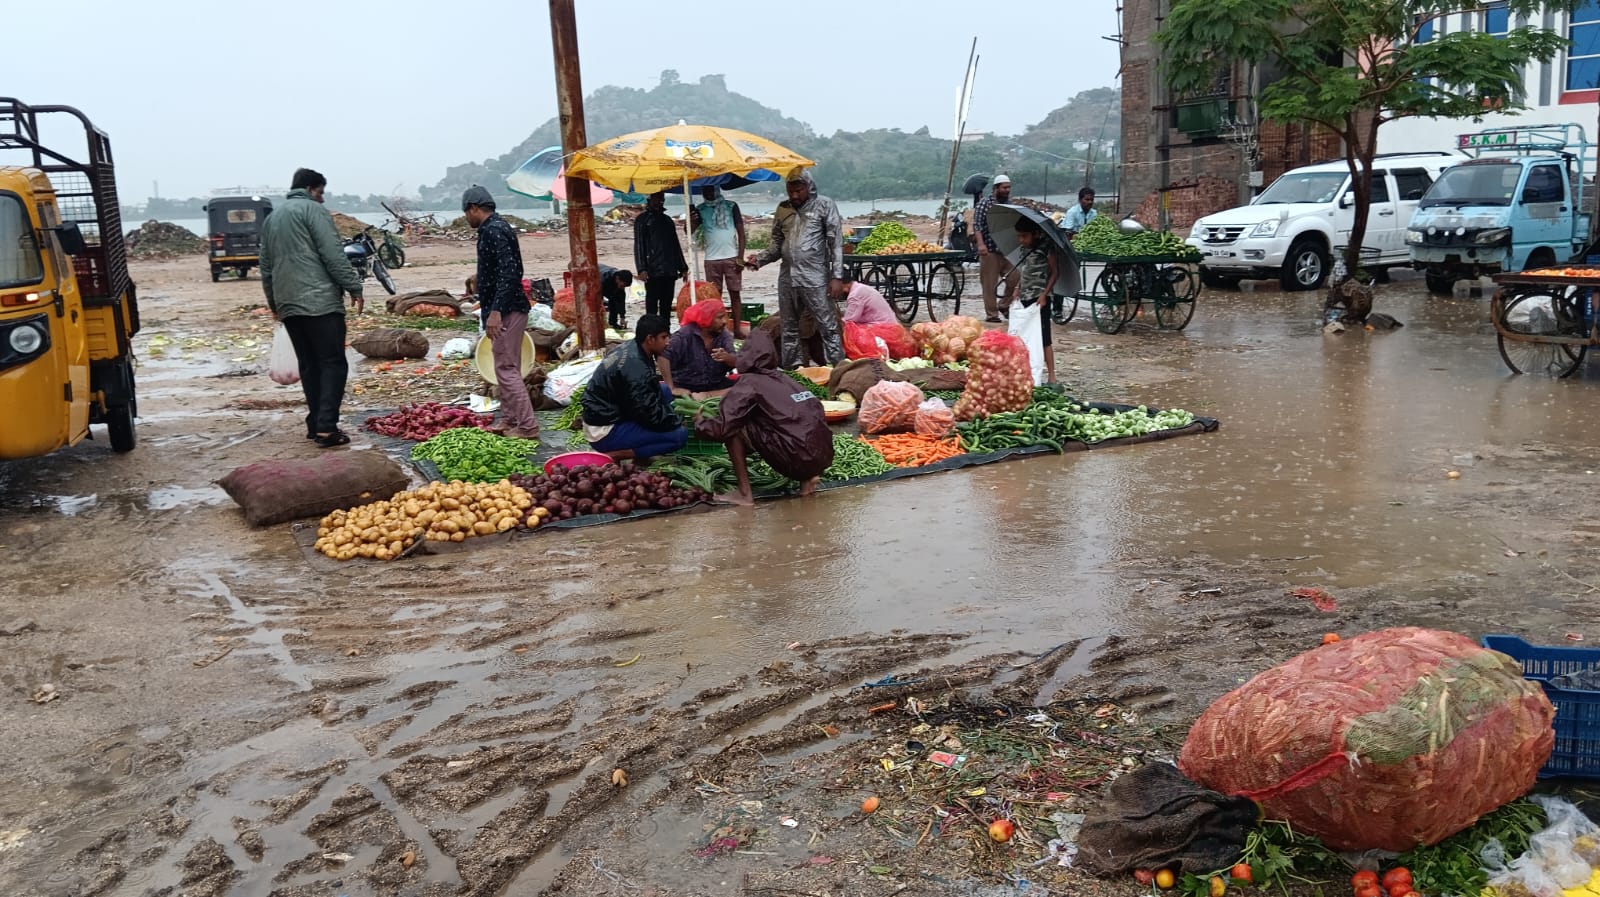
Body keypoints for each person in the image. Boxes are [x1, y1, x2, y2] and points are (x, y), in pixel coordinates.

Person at [260, 167, 365, 448]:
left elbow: (266, 266)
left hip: (289, 305)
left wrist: (274, 303)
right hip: (319, 303)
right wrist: (354, 286)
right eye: (320, 193)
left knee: (309, 364)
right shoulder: (314, 212)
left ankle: (315, 423)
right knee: (332, 363)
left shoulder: (272, 218)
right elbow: (333, 255)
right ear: (310, 189)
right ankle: (327, 428)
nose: (321, 199)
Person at [692, 330, 834, 506]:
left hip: (796, 458)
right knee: (788, 427)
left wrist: (700, 422)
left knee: (733, 430)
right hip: (823, 456)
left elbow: (722, 428)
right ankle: (807, 480)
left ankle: (745, 494)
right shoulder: (786, 379)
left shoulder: (749, 384)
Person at [745, 170, 846, 368]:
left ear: (809, 187)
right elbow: (776, 246)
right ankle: (794, 369)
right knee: (789, 327)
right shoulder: (783, 209)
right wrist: (759, 259)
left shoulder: (825, 205)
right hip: (788, 278)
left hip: (815, 276)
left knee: (828, 325)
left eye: (799, 191)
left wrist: (837, 276)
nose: (794, 196)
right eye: (790, 191)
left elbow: (836, 244)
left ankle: (837, 367)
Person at [463, 185, 538, 439]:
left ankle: (527, 427)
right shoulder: (493, 228)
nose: (466, 218)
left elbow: (510, 273)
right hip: (504, 306)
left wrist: (495, 311)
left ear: (474, 208)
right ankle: (509, 418)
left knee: (506, 368)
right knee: (505, 365)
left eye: (466, 213)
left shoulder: (494, 230)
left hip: (507, 308)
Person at [581, 315, 688, 461]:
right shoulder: (636, 368)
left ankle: (641, 447)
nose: (668, 343)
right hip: (604, 431)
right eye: (664, 338)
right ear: (650, 339)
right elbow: (650, 415)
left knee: (664, 391)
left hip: (611, 412)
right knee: (679, 436)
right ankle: (616, 454)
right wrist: (678, 419)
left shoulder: (633, 347)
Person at [1012, 216, 1059, 386]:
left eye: (1024, 236)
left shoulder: (1046, 248)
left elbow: (1054, 273)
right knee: (1024, 336)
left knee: (1044, 338)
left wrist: (1045, 294)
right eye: (1019, 236)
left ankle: (1052, 375)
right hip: (1025, 296)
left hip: (1040, 299)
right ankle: (1026, 371)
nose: (1021, 240)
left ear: (1035, 234)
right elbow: (1024, 271)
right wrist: (1017, 287)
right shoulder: (1024, 250)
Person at [661, 298, 737, 397]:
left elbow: (736, 361)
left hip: (717, 385)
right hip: (686, 387)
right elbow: (663, 355)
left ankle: (708, 395)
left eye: (724, 317)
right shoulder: (685, 335)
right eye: (719, 318)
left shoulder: (724, 334)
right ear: (707, 319)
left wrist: (727, 358)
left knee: (750, 385)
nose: (724, 321)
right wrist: (671, 387)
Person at [691, 185, 746, 310]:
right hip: (711, 259)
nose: (708, 193)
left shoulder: (731, 206)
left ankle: (737, 329)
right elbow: (688, 231)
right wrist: (691, 220)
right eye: (705, 190)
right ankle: (718, 327)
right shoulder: (701, 209)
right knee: (714, 296)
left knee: (735, 294)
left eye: (711, 190)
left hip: (732, 257)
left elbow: (741, 234)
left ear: (716, 190)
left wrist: (740, 257)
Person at [974, 174, 1019, 323]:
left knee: (1016, 278)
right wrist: (980, 244)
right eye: (1004, 188)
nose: (1007, 190)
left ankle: (1004, 305)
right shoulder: (984, 204)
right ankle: (992, 314)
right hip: (989, 249)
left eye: (1009, 187)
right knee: (989, 284)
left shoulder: (1009, 204)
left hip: (1006, 249)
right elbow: (977, 225)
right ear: (996, 188)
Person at [634, 192, 687, 319]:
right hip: (652, 269)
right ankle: (651, 329)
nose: (660, 201)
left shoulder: (667, 220)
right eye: (657, 198)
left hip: (669, 268)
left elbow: (675, 245)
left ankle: (665, 330)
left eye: (662, 199)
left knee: (666, 303)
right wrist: (641, 269)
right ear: (650, 198)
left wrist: (683, 267)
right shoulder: (642, 220)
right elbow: (639, 245)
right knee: (652, 302)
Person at [598, 263, 635, 331]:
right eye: (622, 286)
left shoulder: (620, 284)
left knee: (615, 300)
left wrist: (622, 317)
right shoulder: (604, 279)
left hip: (609, 286)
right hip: (595, 280)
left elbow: (621, 301)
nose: (623, 288)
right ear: (617, 279)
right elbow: (598, 297)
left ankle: (613, 323)